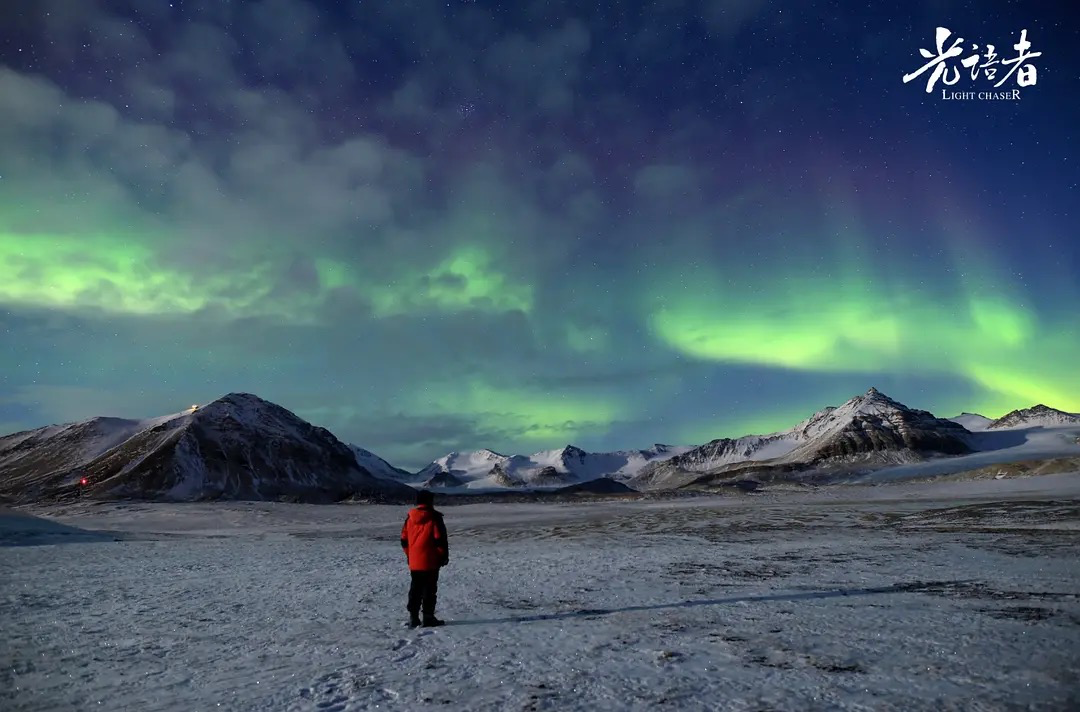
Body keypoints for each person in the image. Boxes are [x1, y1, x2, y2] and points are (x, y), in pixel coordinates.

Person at [400, 489, 449, 627]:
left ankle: (413, 617)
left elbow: (404, 540)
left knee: (415, 589)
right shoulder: (434, 517)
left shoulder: (410, 517)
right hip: (431, 561)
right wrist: (443, 557)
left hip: (415, 562)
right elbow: (440, 540)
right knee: (429, 590)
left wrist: (410, 554)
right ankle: (428, 617)